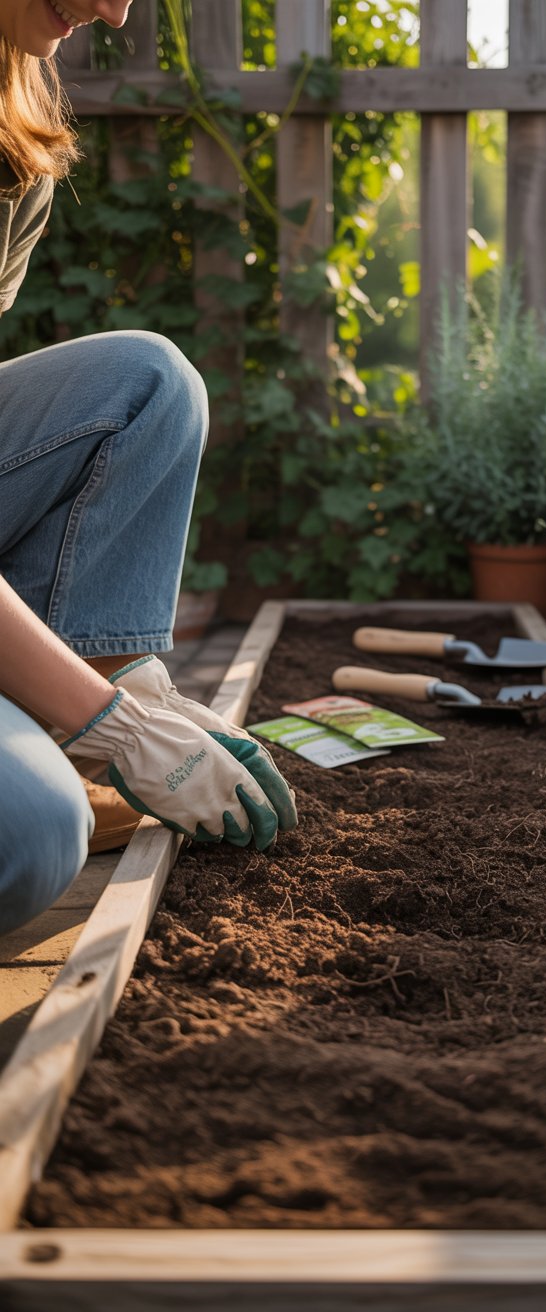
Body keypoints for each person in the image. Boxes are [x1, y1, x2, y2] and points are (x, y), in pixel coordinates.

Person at [0, 0, 297, 936]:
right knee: (32, 830)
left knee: (147, 382)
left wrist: (137, 692)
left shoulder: (15, 135)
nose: (114, 8)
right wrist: (114, 731)